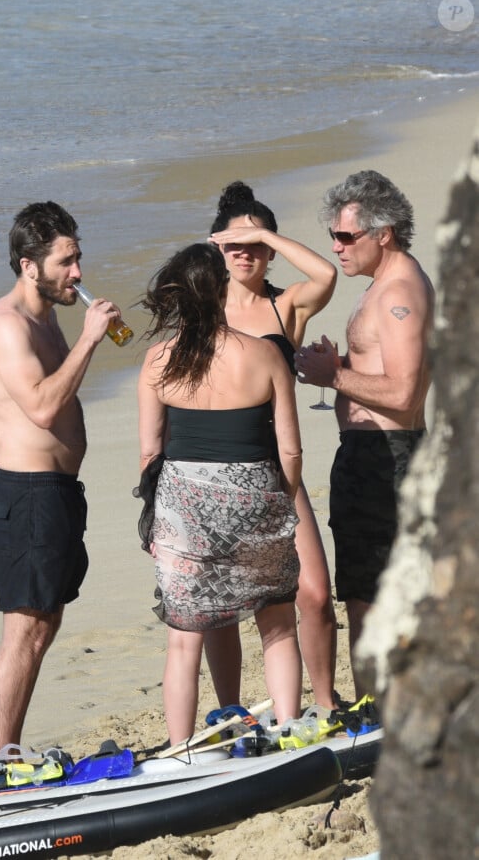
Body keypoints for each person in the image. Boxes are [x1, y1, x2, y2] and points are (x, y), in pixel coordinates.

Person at [136, 242, 303, 744]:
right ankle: (291, 731)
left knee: (183, 640)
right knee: (276, 623)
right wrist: (282, 504)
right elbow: (290, 451)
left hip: (185, 505)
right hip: (256, 497)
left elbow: (149, 455)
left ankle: (181, 747)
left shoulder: (158, 360)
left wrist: (157, 520)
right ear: (220, 290)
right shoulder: (265, 353)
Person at [0, 200, 124, 754]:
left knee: (43, 628)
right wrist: (88, 339)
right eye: (65, 262)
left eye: (78, 258)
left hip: (58, 493)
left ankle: (8, 750)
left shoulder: (48, 315)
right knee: (23, 632)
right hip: (27, 496)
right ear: (27, 265)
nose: (78, 273)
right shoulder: (6, 325)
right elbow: (40, 408)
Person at [295, 170, 434, 699]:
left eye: (346, 237)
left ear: (385, 232)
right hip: (372, 454)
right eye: (333, 235)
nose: (336, 247)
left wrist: (334, 376)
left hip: (387, 456)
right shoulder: (386, 286)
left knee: (374, 594)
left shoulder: (399, 292)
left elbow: (403, 393)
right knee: (364, 588)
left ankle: (384, 711)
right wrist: (341, 364)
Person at [207, 181, 339, 711]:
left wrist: (262, 232)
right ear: (216, 247)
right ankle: (230, 711)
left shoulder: (287, 307)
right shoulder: (203, 309)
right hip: (215, 470)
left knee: (314, 594)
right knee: (222, 606)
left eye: (256, 243)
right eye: (233, 244)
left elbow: (325, 274)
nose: (246, 253)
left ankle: (327, 704)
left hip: (280, 469)